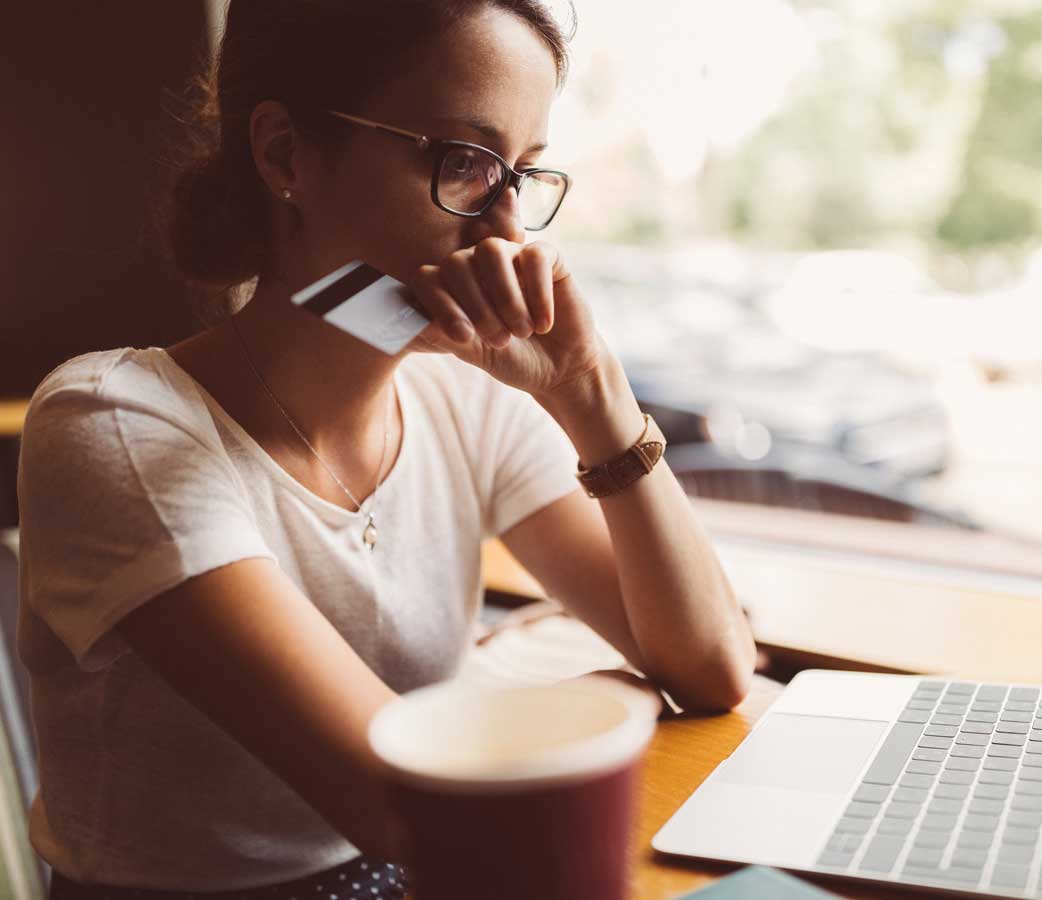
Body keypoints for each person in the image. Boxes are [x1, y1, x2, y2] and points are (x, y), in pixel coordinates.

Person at [16, 1, 758, 896]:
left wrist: (588, 392)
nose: (509, 234)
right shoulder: (117, 427)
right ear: (286, 154)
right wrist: (611, 703)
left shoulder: (464, 398)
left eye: (523, 174)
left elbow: (714, 666)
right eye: (465, 163)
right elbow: (404, 806)